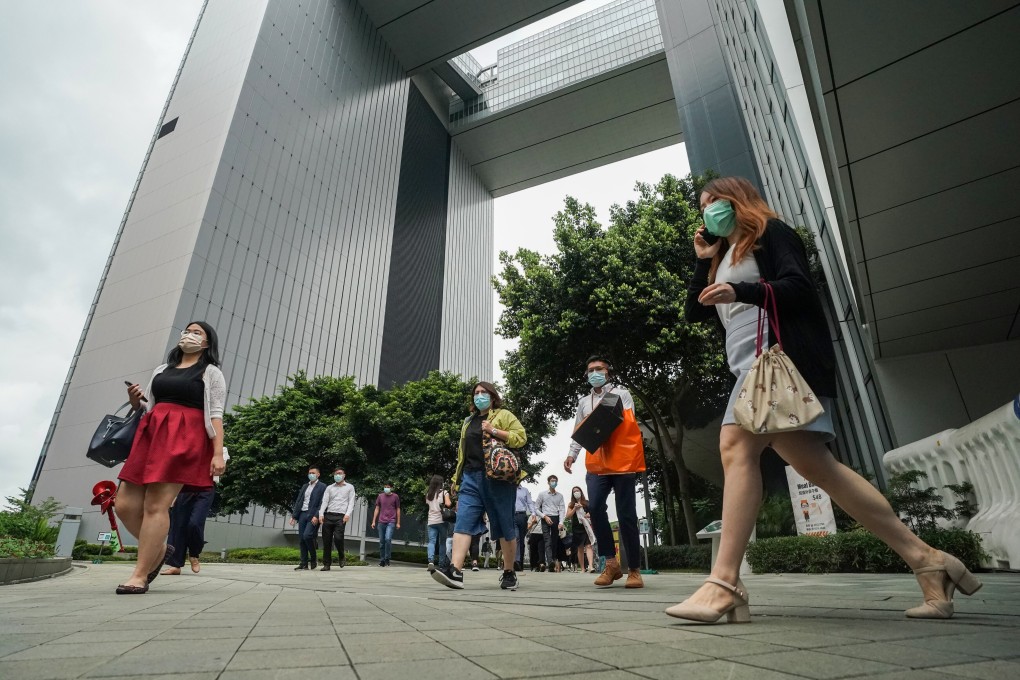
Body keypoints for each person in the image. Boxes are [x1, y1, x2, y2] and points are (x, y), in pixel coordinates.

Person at [668, 176, 982, 622]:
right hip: (750, 369)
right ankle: (927, 560)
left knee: (735, 446)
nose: (707, 212)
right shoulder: (723, 256)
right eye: (702, 207)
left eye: (713, 202)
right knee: (821, 469)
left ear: (738, 200)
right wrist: (705, 261)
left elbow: (799, 288)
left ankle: (723, 583)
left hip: (779, 363)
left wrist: (743, 290)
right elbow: (694, 310)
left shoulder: (772, 235)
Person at [115, 322, 227, 594]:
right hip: (151, 435)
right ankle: (161, 548)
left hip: (183, 438)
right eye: (187, 330)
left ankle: (140, 575)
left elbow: (216, 414)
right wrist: (134, 401)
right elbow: (150, 407)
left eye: (196, 332)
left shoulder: (211, 373)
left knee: (156, 506)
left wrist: (217, 453)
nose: (188, 335)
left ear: (207, 343)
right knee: (124, 505)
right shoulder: (161, 370)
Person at [432, 381, 527, 591]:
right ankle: (455, 571)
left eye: (484, 392)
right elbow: (462, 454)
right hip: (470, 477)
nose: (480, 396)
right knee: (463, 521)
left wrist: (494, 430)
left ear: (493, 397)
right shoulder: (468, 421)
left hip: (498, 478)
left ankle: (509, 572)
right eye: (476, 393)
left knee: (504, 524)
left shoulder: (503, 415)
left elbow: (521, 438)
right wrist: (456, 481)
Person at [564, 355, 645, 589]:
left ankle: (634, 570)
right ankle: (611, 564)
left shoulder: (621, 394)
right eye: (590, 370)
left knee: (626, 513)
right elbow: (579, 430)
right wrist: (572, 455)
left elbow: (627, 424)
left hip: (621, 463)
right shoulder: (583, 401)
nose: (594, 373)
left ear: (608, 372)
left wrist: (602, 420)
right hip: (597, 464)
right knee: (596, 508)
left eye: (599, 369)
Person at [160, 447, 231, 576]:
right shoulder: (187, 445)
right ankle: (175, 565)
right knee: (178, 526)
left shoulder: (220, 450)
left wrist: (215, 457)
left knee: (195, 523)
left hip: (205, 490)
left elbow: (220, 470)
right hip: (183, 489)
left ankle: (194, 554)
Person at [318, 468, 355, 570]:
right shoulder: (329, 488)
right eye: (335, 474)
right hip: (328, 515)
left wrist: (347, 514)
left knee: (338, 538)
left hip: (341, 517)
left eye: (339, 473)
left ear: (344, 475)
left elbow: (351, 502)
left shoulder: (350, 487)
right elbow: (325, 501)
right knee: (327, 541)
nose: (337, 475)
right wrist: (321, 514)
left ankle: (341, 555)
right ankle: (326, 564)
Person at [290, 467, 327, 570]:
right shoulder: (305, 486)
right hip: (302, 514)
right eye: (309, 473)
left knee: (307, 536)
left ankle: (313, 558)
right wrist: (294, 516)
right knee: (302, 539)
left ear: (318, 474)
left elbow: (323, 503)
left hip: (313, 514)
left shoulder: (323, 486)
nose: (311, 474)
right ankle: (304, 563)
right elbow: (299, 501)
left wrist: (317, 515)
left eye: (313, 473)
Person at [535, 475, 566, 573]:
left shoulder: (560, 496)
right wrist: (544, 516)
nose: (554, 482)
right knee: (547, 540)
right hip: (545, 517)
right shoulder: (542, 494)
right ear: (548, 482)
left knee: (554, 541)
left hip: (556, 518)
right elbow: (536, 508)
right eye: (552, 481)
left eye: (555, 481)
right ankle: (550, 562)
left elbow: (562, 509)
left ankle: (552, 559)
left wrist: (561, 522)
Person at [565, 486, 596, 573]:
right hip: (576, 527)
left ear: (581, 492)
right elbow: (567, 516)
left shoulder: (586, 502)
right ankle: (582, 568)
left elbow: (593, 511)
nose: (576, 492)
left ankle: (590, 566)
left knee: (589, 545)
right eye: (574, 491)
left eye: (577, 491)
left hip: (586, 526)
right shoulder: (571, 504)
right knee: (580, 547)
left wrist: (589, 514)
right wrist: (575, 508)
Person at [425, 475, 453, 571]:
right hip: (442, 521)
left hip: (431, 521)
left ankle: (431, 561)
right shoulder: (444, 493)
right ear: (441, 483)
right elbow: (449, 504)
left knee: (432, 542)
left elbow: (428, 504)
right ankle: (441, 564)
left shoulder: (429, 494)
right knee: (442, 543)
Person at [371, 482, 401, 566]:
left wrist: (398, 522)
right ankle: (382, 560)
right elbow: (377, 508)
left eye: (388, 487)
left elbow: (398, 509)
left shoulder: (395, 497)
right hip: (381, 521)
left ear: (391, 488)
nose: (386, 488)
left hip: (391, 521)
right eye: (385, 487)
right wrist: (373, 521)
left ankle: (387, 557)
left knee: (388, 539)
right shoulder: (380, 496)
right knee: (381, 541)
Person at [514, 483, 537, 571]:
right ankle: (516, 561)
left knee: (521, 539)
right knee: (516, 538)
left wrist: (533, 513)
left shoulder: (524, 490)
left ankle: (520, 562)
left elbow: (530, 503)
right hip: (511, 516)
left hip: (522, 516)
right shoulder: (508, 488)